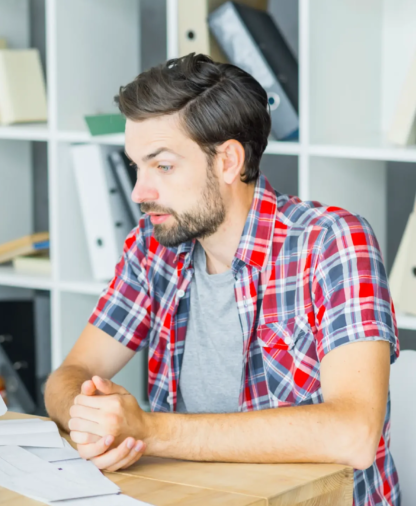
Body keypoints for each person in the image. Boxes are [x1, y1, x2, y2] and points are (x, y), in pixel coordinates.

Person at [44, 54, 399, 506]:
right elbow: (68, 376)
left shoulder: (333, 242)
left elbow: (354, 434)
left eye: (163, 166)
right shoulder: (153, 246)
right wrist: (91, 417)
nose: (139, 193)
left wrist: (148, 430)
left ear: (228, 161)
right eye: (136, 167)